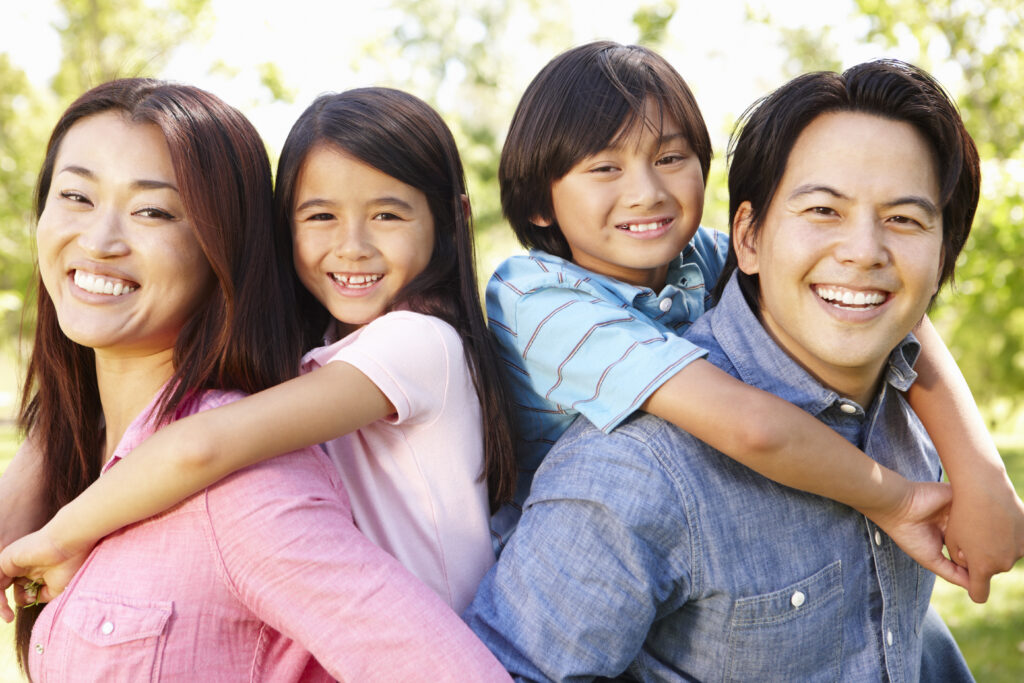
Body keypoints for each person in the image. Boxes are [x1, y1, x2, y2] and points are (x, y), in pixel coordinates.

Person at [464, 58, 1015, 681]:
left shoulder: (702, 256)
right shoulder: (541, 306)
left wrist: (980, 473)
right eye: (606, 168)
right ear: (752, 237)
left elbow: (866, 289)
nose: (647, 191)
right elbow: (754, 429)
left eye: (670, 158)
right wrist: (898, 500)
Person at [0, 78, 509, 681]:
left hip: (455, 634)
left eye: (153, 211)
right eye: (77, 197)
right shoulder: (317, 353)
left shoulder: (416, 343)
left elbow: (201, 446)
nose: (100, 240)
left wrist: (63, 535)